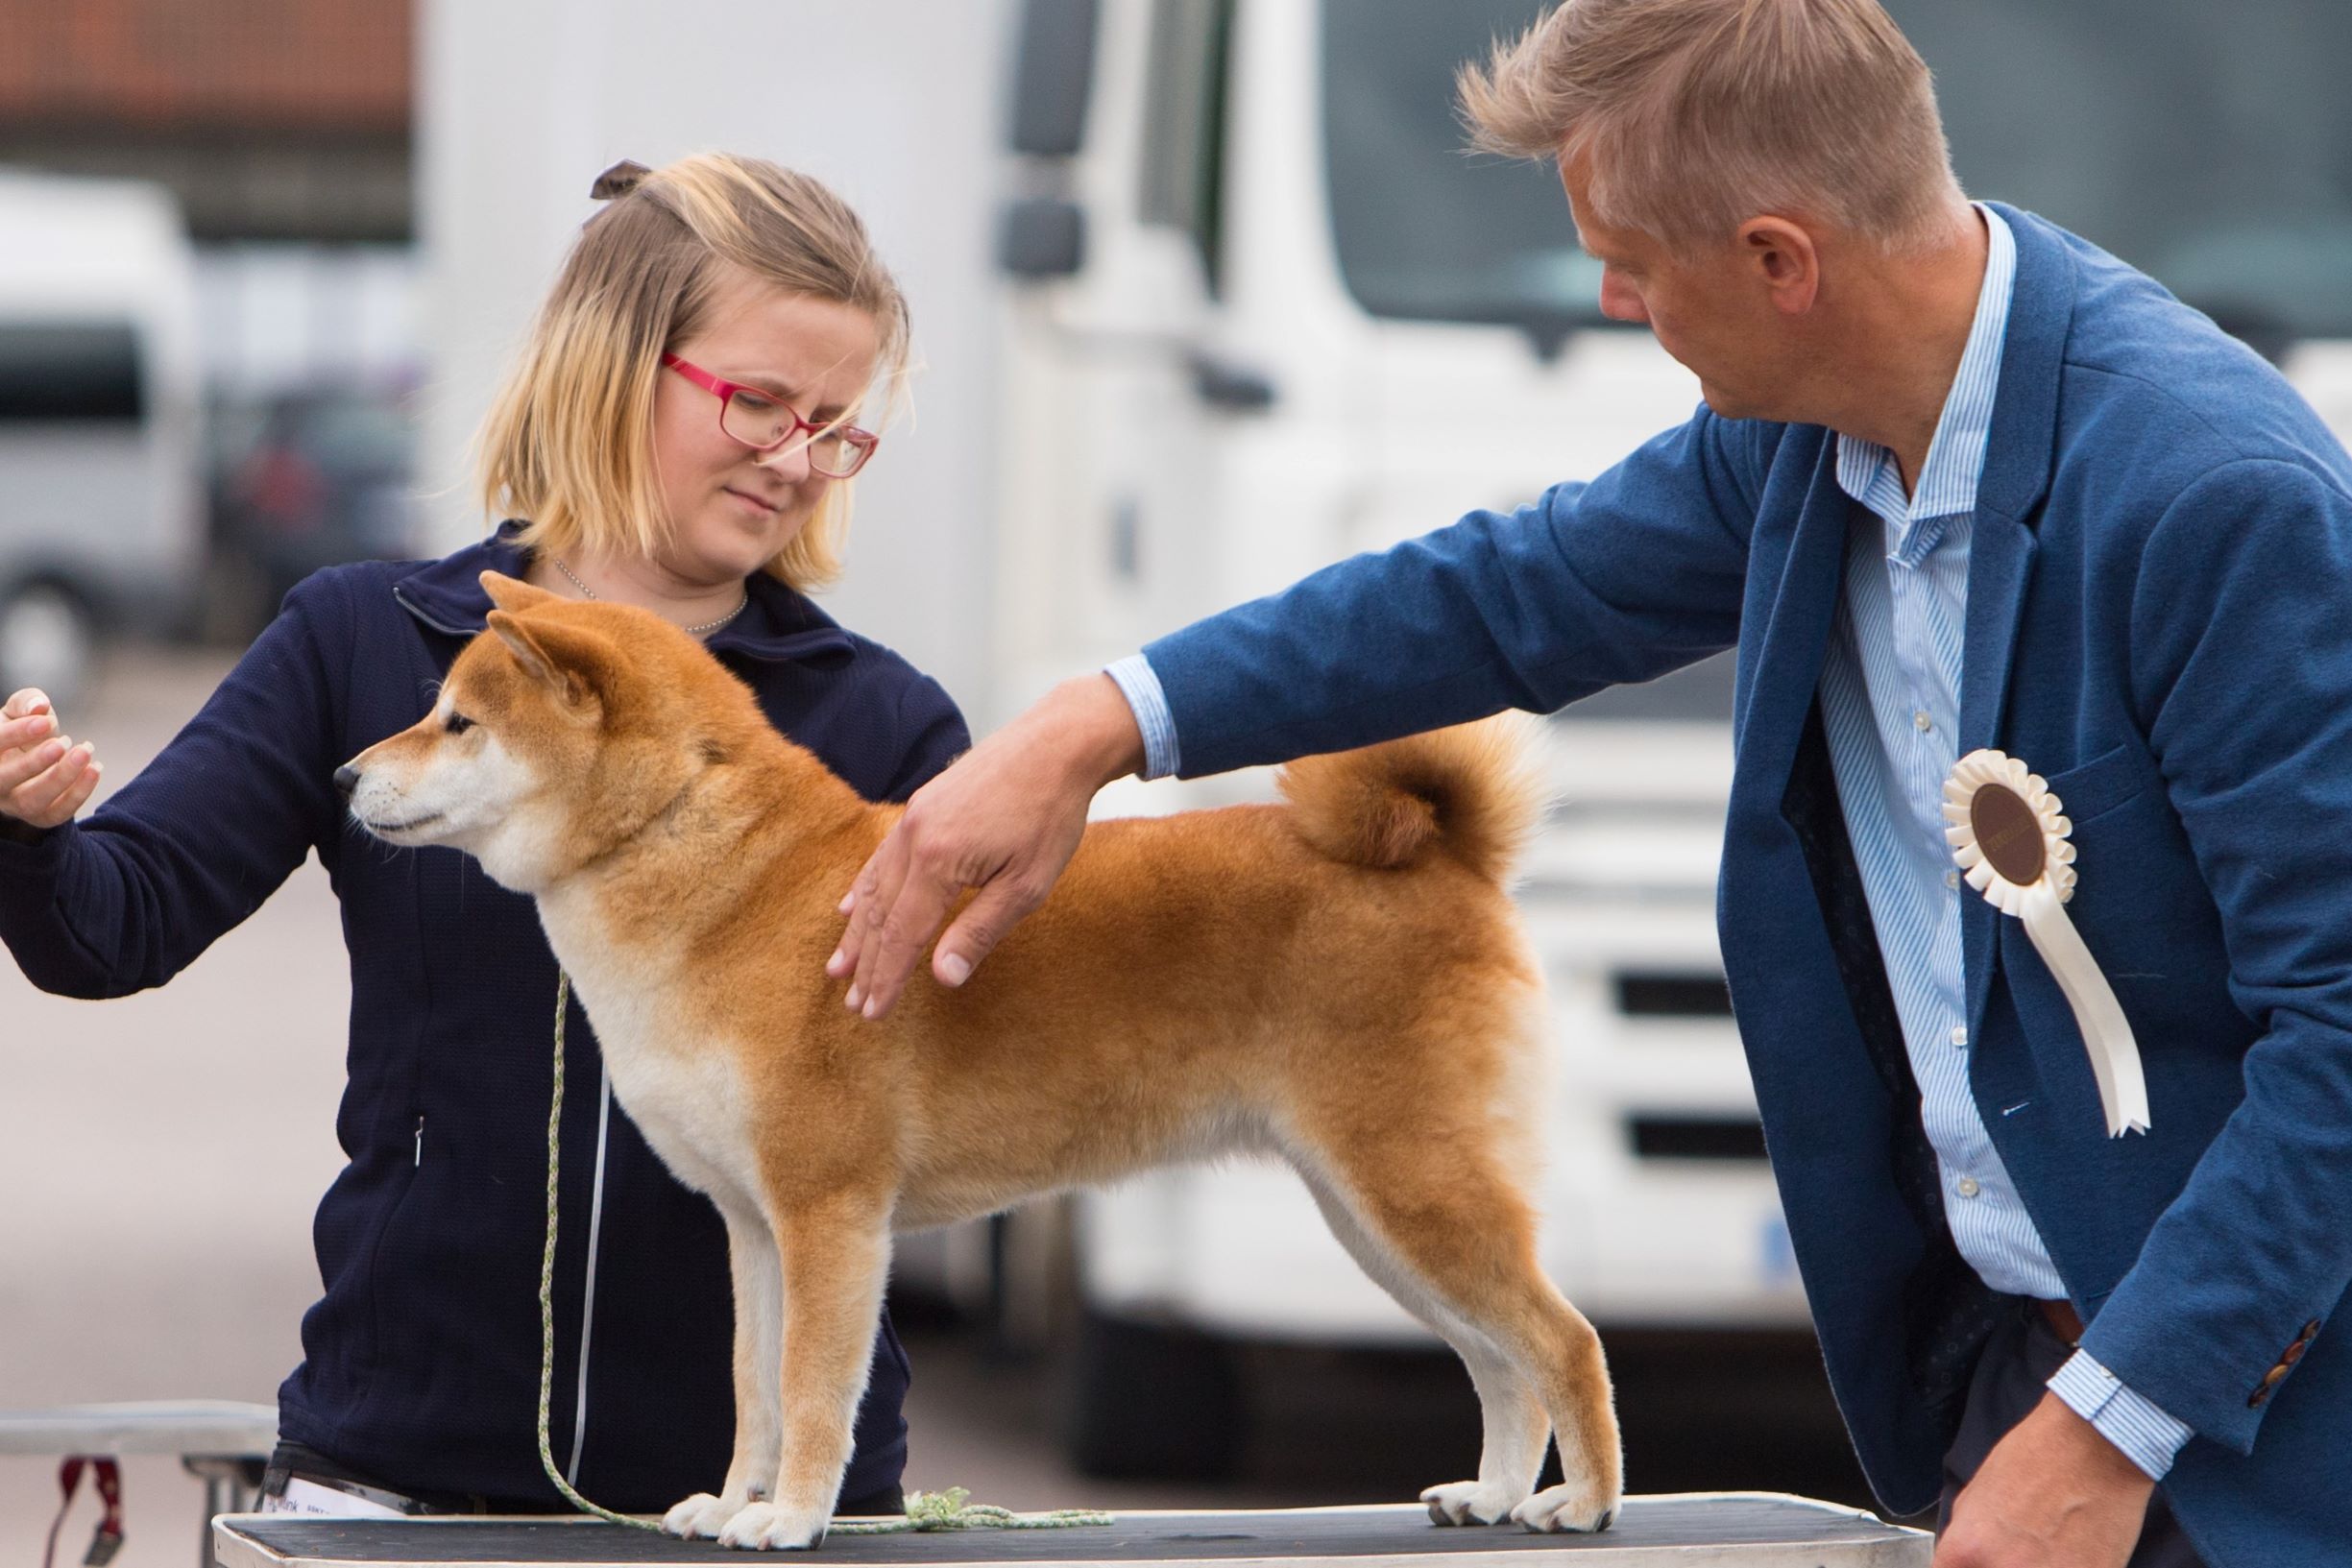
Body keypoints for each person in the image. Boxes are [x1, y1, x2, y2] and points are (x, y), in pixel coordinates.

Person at [828, 4, 2352, 1565]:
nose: (1611, 301)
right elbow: (1506, 594)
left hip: (2237, 1442)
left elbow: (2343, 1037)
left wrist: (2109, 1427)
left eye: (1626, 261)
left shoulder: (2213, 496)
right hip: (2006, 1386)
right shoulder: (1798, 436)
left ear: (1780, 261)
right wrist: (1093, 724)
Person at [0, 153, 967, 1518]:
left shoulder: (886, 722)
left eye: (836, 424)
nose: (798, 461)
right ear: (611, 360)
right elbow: (109, 924)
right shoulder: (362, 638)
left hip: (780, 1523)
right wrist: (25, 829)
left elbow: (981, 1090)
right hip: (397, 1480)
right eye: (758, 404)